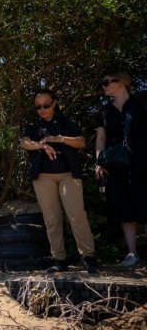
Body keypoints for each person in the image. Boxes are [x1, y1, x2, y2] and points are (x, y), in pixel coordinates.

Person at [20, 89, 98, 274]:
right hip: (43, 177)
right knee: (51, 218)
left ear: (54, 103)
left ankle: (88, 256)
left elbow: (81, 142)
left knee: (77, 215)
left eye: (46, 105)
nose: (42, 109)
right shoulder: (32, 125)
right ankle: (58, 259)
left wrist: (60, 139)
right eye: (38, 106)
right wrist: (43, 145)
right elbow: (24, 142)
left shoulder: (66, 122)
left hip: (68, 175)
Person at [95, 72, 147, 268]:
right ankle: (132, 253)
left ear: (122, 82)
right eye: (104, 83)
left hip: (142, 161)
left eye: (109, 81)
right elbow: (101, 139)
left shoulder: (141, 104)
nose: (105, 85)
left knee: (144, 203)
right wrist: (99, 162)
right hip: (117, 165)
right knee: (125, 208)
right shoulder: (104, 112)